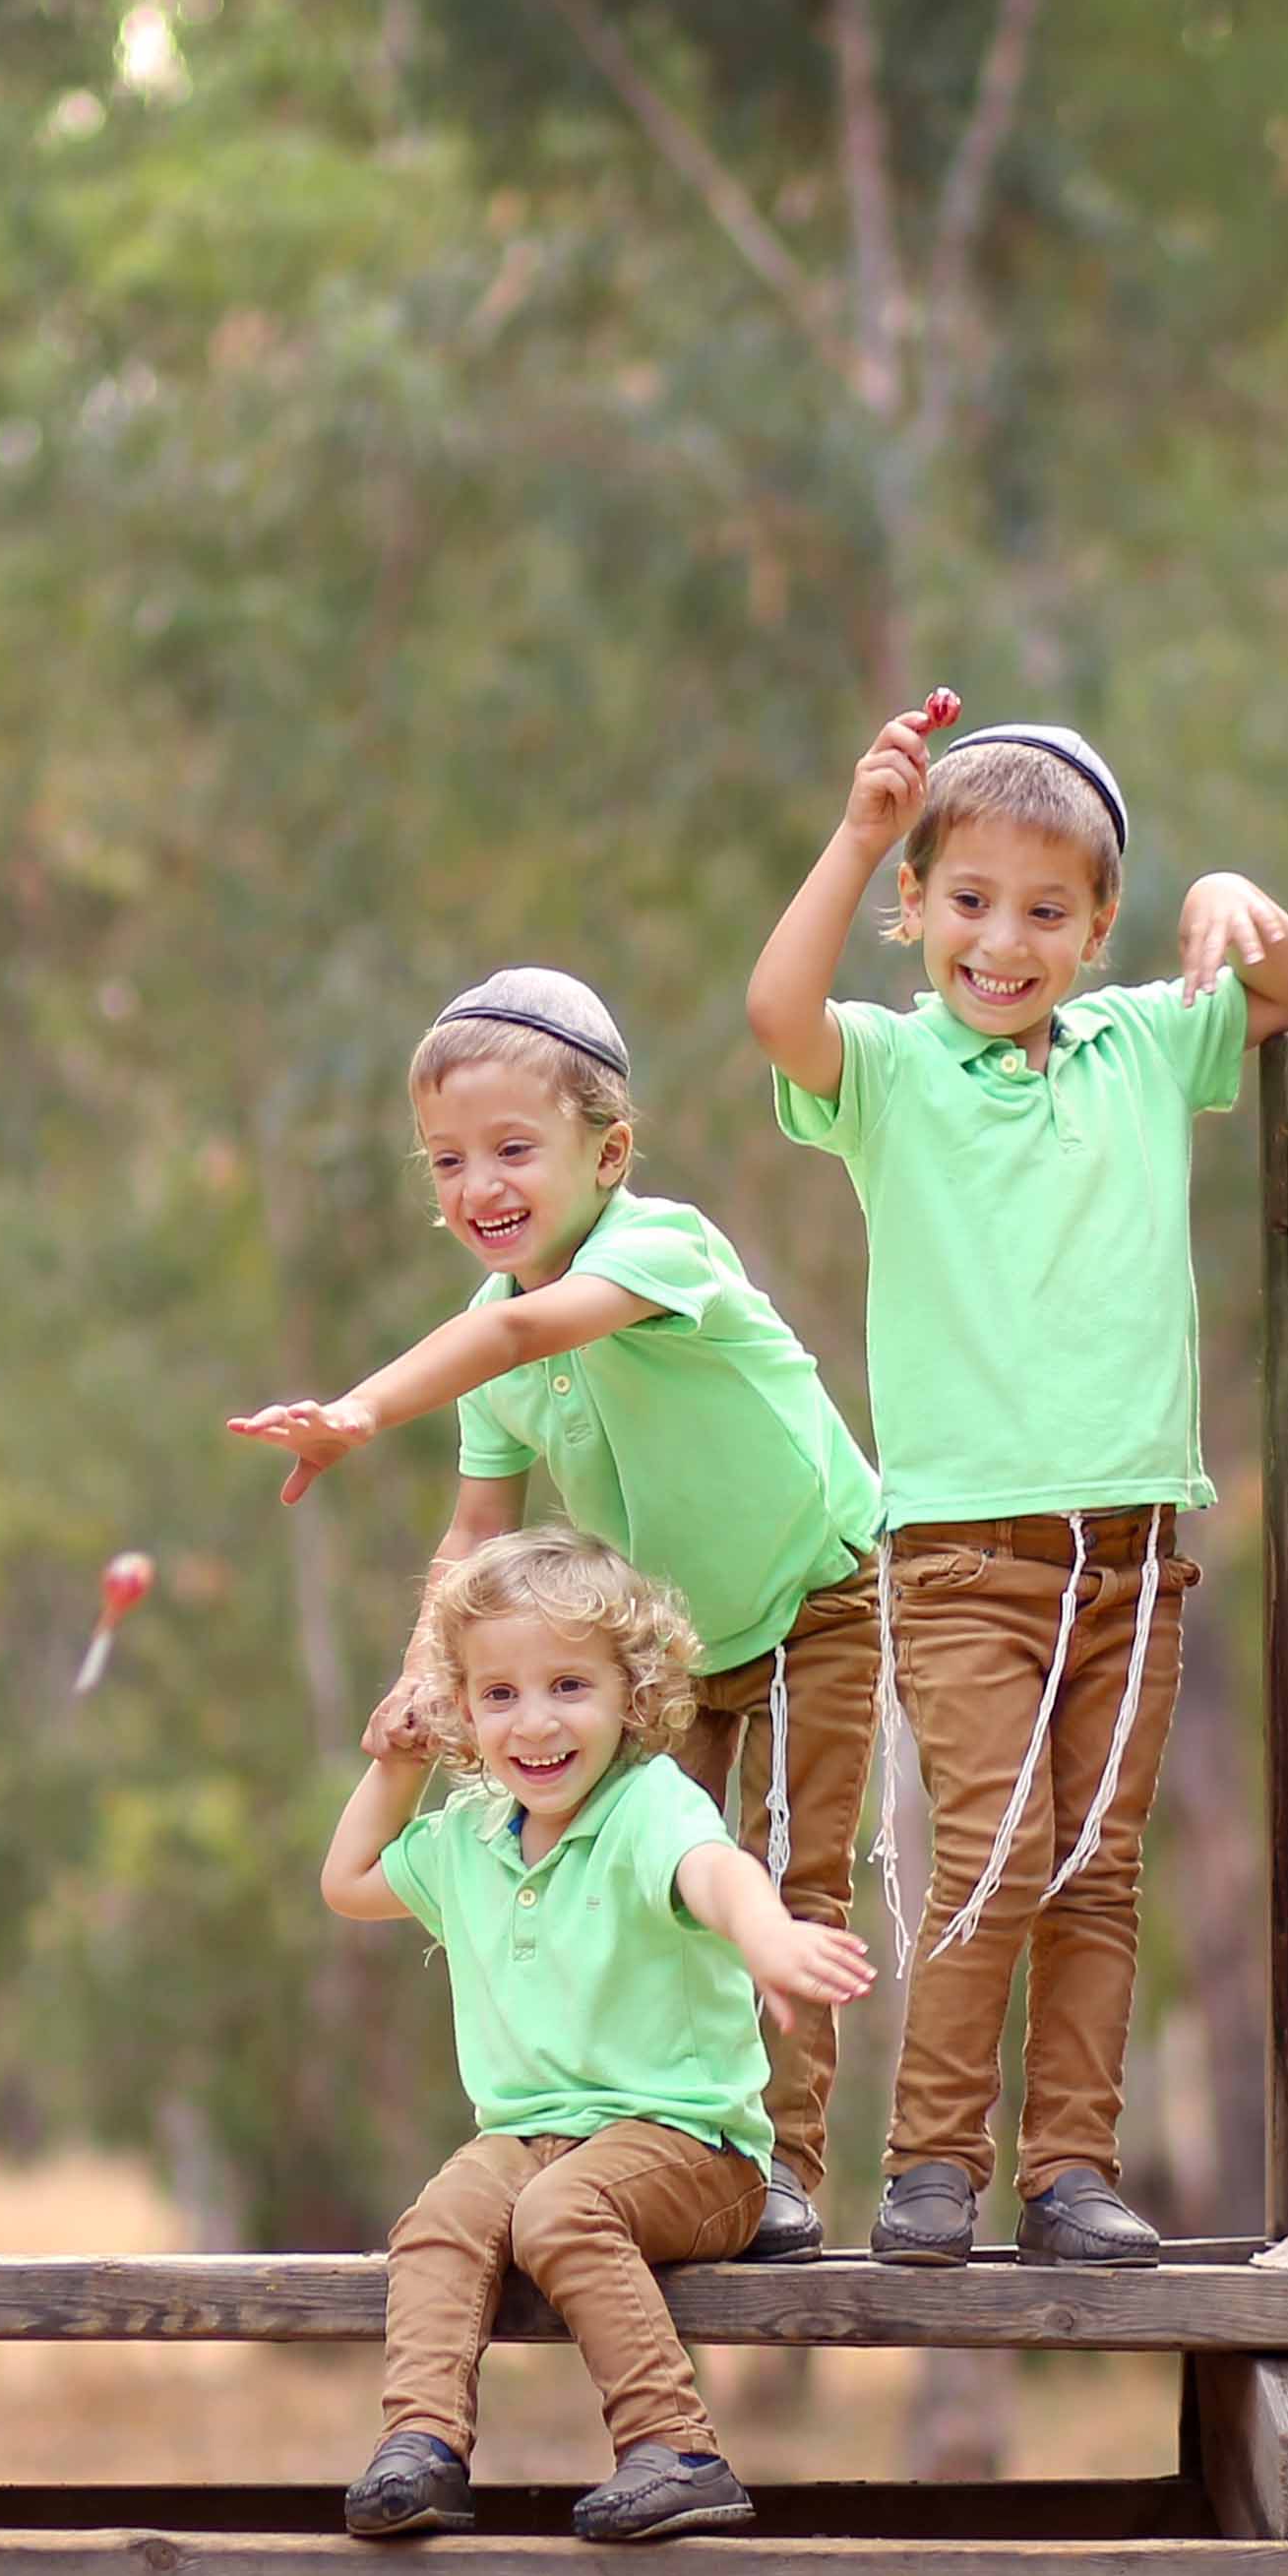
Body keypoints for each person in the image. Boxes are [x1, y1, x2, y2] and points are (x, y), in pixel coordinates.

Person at [746, 694, 1288, 2268]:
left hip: (1130, 1555)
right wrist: (856, 831)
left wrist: (1235, 899)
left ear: (1095, 927)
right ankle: (929, 2163)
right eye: (966, 901)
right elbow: (776, 1012)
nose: (1001, 942)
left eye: (1045, 912)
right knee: (999, 1848)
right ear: (914, 907)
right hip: (957, 1555)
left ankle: (1069, 2169)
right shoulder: (889, 1071)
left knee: (1094, 1872)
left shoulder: (1143, 1042)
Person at [229, 968, 884, 2262]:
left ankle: (779, 2171)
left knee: (778, 1873)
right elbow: (475, 1528)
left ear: (608, 1154)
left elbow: (525, 1333)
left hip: (812, 1599)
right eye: (446, 1160)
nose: (478, 1185)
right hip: (666, 1648)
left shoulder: (660, 1248)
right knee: (639, 1878)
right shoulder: (489, 1344)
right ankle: (651, 2146)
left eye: (512, 1150)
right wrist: (425, 1675)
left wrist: (358, 1410)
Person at [318, 1527, 876, 2542]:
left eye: (568, 1686)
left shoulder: (647, 1807)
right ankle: (422, 2445)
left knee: (559, 2212)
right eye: (498, 1694)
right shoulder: (472, 1837)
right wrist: (398, 1765)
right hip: (529, 2138)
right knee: (440, 2218)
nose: (534, 1722)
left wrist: (764, 1934)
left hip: (692, 2151)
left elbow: (717, 1872)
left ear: (633, 1692)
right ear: (460, 1708)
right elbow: (349, 1882)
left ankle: (677, 2450)